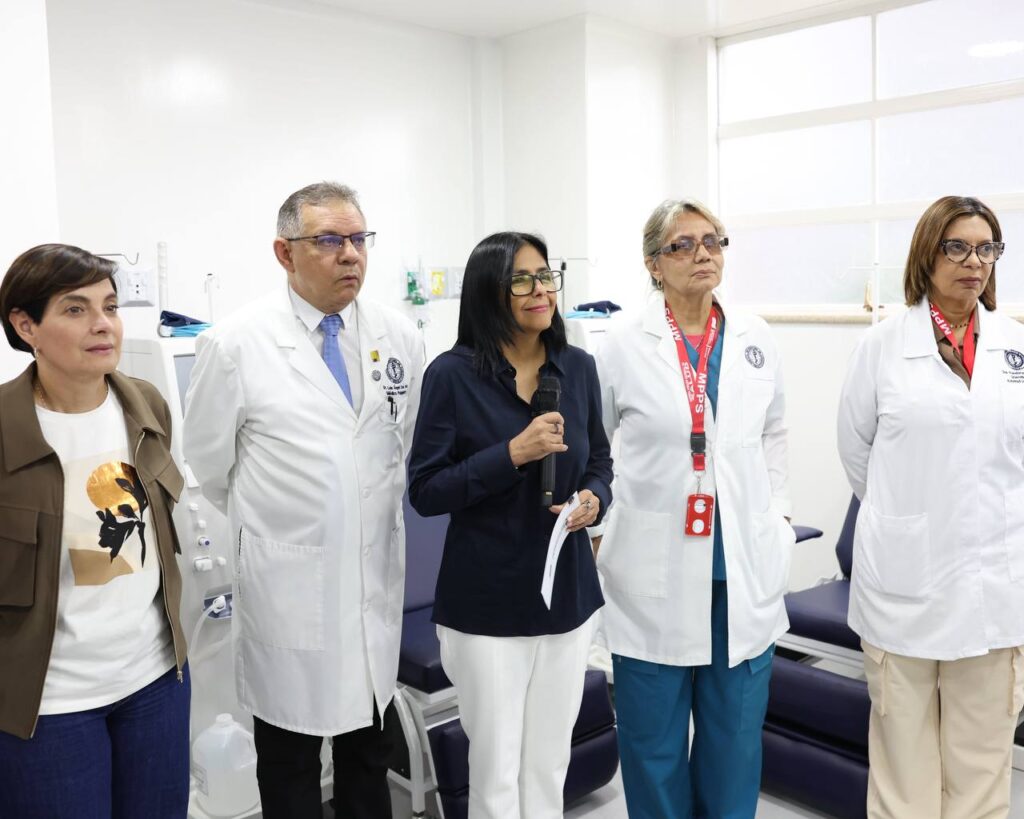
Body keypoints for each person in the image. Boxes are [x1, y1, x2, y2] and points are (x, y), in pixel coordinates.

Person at [183, 182, 424, 818]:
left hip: (372, 584)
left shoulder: (398, 336)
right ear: (284, 253)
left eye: (358, 239)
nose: (351, 255)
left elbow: (401, 442)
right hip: (290, 588)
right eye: (329, 240)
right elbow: (209, 465)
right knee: (289, 764)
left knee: (368, 758)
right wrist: (292, 521)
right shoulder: (235, 344)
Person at [593, 199, 793, 818]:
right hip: (651, 573)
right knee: (652, 745)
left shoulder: (756, 337)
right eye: (683, 244)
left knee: (734, 742)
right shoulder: (621, 346)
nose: (703, 253)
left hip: (743, 571)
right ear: (654, 264)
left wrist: (779, 518)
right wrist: (601, 529)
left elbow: (775, 433)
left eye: (713, 241)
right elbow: (593, 449)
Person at [407, 231, 612, 819]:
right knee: (495, 769)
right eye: (521, 279)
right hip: (486, 601)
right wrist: (512, 454)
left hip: (567, 594)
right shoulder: (451, 375)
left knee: (548, 763)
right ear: (487, 292)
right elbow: (426, 490)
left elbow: (599, 461)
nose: (539, 290)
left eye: (546, 276)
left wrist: (595, 500)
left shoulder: (578, 368)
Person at [837, 195, 1024, 819]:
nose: (975, 262)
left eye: (987, 248)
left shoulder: (1014, 347)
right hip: (904, 587)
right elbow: (856, 452)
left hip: (993, 588)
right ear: (928, 253)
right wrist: (910, 517)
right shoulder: (885, 346)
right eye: (958, 247)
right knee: (903, 773)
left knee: (981, 770)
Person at [0, 244, 190, 818]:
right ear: (26, 324)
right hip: (49, 702)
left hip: (154, 680)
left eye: (109, 306)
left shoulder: (146, 406)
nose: (103, 324)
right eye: (76, 309)